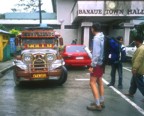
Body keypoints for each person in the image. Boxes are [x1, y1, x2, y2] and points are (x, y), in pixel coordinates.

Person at [87, 23, 105, 111]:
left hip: (97, 64)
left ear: (93, 29)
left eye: (91, 29)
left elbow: (96, 54)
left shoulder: (96, 38)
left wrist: (92, 65)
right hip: (102, 63)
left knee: (92, 83)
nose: (91, 30)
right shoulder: (103, 37)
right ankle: (101, 101)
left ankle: (97, 105)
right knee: (100, 82)